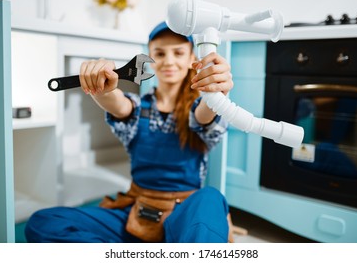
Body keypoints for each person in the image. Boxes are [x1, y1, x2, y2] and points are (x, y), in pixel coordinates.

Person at [25, 21, 234, 243]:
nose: (169, 61)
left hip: (186, 215)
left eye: (178, 52)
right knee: (44, 222)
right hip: (137, 210)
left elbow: (203, 115)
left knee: (210, 198)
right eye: (160, 53)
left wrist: (215, 94)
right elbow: (119, 105)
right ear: (150, 58)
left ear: (192, 58)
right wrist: (103, 89)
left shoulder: (201, 107)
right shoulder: (137, 108)